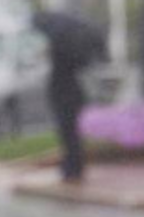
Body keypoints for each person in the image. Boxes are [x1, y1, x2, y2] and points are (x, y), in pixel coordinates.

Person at [32, 10, 103, 184]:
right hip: (73, 92)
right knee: (71, 133)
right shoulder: (73, 52)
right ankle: (73, 167)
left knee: (68, 132)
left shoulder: (62, 48)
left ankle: (72, 169)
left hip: (65, 93)